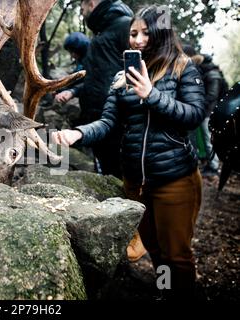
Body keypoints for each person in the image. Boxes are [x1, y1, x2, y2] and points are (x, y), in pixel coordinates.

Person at [52, 5, 206, 299]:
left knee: (177, 255)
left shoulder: (182, 68)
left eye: (145, 33)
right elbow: (108, 122)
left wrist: (152, 94)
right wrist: (79, 132)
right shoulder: (122, 78)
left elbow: (194, 115)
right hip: (136, 182)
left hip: (174, 178)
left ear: (161, 33)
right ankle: (164, 291)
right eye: (133, 33)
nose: (136, 40)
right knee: (157, 251)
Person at [54, 0, 134, 179]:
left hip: (116, 119)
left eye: (82, 8)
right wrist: (73, 91)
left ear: (91, 4)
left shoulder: (124, 26)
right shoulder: (101, 33)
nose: (81, 12)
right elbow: (96, 78)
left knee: (119, 171)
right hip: (99, 118)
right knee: (107, 169)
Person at [182, 45, 228, 180]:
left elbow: (212, 96)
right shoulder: (205, 70)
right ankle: (210, 164)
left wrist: (198, 107)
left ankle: (214, 167)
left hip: (210, 113)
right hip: (206, 111)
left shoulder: (212, 73)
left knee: (209, 140)